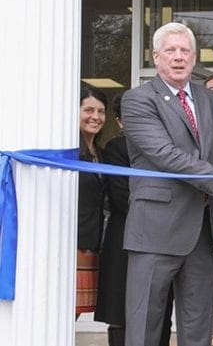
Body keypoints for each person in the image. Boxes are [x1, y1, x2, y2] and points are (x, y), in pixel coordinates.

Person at [120, 22, 213, 346]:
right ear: (155, 56)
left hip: (202, 232)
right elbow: (166, 156)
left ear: (194, 57)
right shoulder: (138, 100)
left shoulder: (208, 98)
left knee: (199, 328)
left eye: (185, 50)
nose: (178, 57)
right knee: (144, 326)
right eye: (170, 51)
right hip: (155, 230)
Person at [94, 94, 174, 346]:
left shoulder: (165, 149)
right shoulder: (117, 148)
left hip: (162, 239)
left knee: (159, 308)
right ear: (119, 122)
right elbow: (121, 197)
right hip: (124, 238)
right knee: (121, 311)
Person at [76, 86, 107, 319]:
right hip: (69, 245)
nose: (95, 117)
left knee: (73, 315)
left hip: (92, 242)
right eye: (88, 110)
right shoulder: (67, 153)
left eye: (101, 111)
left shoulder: (100, 153)